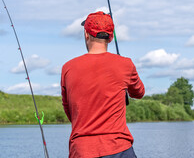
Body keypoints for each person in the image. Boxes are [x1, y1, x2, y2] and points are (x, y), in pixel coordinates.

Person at [61, 11, 145, 158]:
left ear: (86, 34)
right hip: (118, 148)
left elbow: (70, 111)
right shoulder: (125, 64)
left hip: (81, 150)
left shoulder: (68, 68)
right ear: (110, 38)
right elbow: (139, 92)